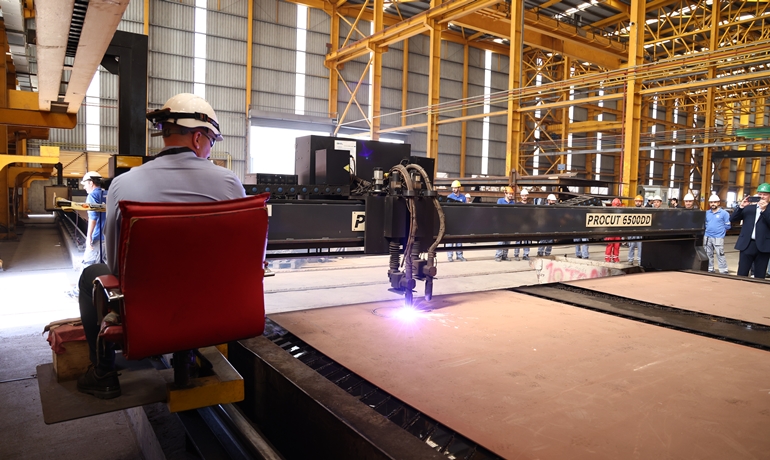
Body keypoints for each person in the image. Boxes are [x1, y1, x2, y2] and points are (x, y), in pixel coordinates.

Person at [76, 93, 246, 399]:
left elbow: (116, 265)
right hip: (211, 303)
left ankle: (102, 373)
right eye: (212, 141)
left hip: (147, 305)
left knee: (91, 274)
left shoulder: (123, 184)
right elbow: (245, 257)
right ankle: (187, 354)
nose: (210, 149)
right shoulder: (229, 183)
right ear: (198, 138)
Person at [67, 172, 107, 298]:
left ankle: (79, 292)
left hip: (98, 238)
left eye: (84, 184)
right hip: (111, 238)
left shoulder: (92, 196)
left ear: (91, 182)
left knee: (87, 264)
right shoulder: (108, 194)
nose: (84, 187)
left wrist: (88, 237)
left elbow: (93, 218)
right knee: (107, 265)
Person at [730, 183, 770, 278]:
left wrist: (764, 210)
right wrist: (741, 207)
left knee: (760, 275)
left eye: (765, 194)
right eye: (760, 194)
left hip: (763, 246)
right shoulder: (749, 208)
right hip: (747, 245)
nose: (762, 196)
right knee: (742, 273)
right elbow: (733, 219)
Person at [704, 194, 730, 274]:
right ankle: (710, 268)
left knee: (720, 254)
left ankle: (723, 270)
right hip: (707, 236)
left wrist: (721, 234)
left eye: (715, 202)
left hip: (718, 237)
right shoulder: (706, 213)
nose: (713, 204)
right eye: (711, 202)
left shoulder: (724, 213)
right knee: (708, 253)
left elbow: (727, 226)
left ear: (718, 203)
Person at [446, 180, 467, 262]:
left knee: (459, 239)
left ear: (459, 188)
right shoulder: (449, 197)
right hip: (451, 220)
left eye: (455, 188)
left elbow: (465, 209)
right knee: (450, 239)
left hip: (460, 221)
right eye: (453, 188)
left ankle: (459, 255)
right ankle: (450, 256)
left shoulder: (463, 197)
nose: (454, 189)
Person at [495, 186, 516, 261]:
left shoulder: (512, 203)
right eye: (509, 194)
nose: (511, 195)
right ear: (505, 193)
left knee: (507, 241)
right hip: (501, 223)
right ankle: (498, 256)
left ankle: (505, 255)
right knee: (501, 241)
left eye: (511, 194)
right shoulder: (500, 201)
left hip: (509, 224)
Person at [513, 189, 531, 261]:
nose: (524, 197)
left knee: (527, 241)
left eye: (525, 195)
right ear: (521, 196)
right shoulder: (517, 205)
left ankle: (525, 255)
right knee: (518, 241)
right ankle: (516, 254)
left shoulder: (530, 205)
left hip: (527, 225)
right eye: (523, 195)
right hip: (519, 225)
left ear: (527, 196)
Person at [604, 198, 623, 262]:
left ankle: (615, 258)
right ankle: (608, 258)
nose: (617, 207)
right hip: (611, 232)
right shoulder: (609, 212)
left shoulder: (621, 213)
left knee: (616, 246)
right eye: (616, 205)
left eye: (618, 205)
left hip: (617, 232)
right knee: (610, 245)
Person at [627, 195, 644, 264]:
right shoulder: (632, 210)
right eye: (637, 201)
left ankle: (640, 260)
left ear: (641, 202)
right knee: (631, 246)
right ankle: (630, 259)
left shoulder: (644, 211)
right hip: (633, 232)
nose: (638, 203)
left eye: (639, 201)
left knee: (640, 248)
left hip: (640, 232)